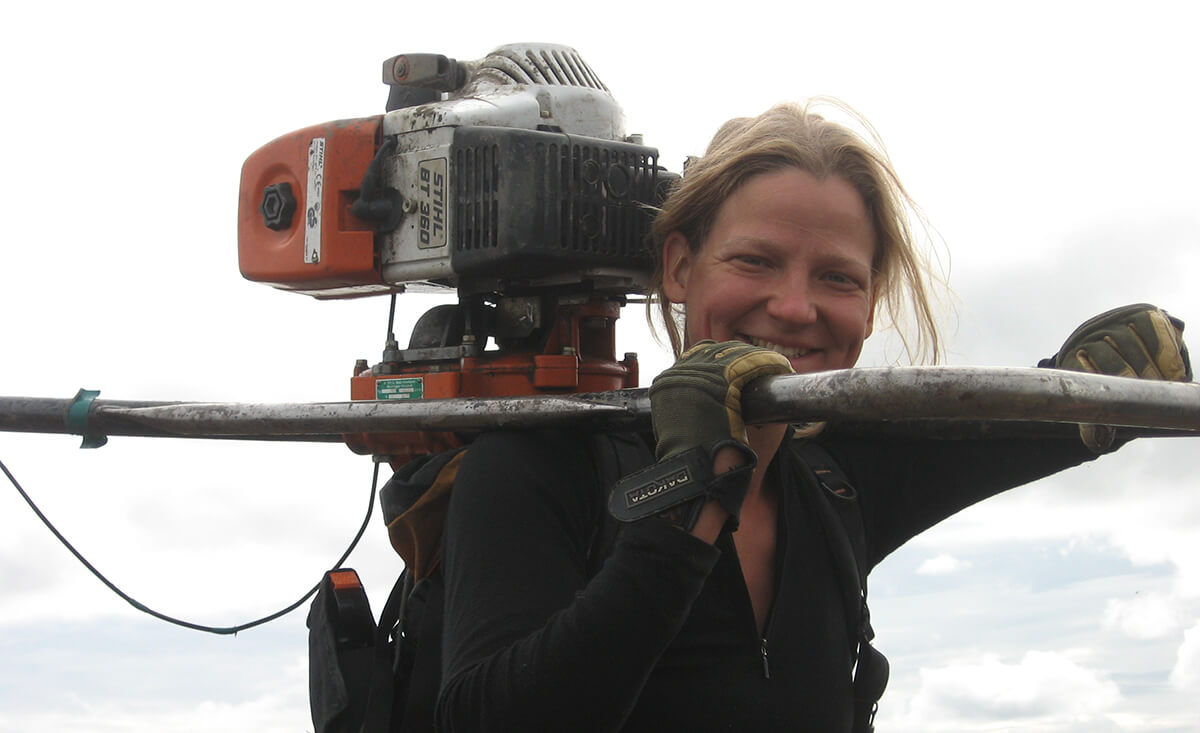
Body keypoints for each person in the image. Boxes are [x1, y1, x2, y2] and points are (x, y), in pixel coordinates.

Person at [432, 101, 1192, 732]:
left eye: (837, 277)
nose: (796, 308)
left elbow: (1003, 431)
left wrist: (1094, 392)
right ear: (679, 267)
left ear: (869, 301)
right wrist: (685, 496)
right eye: (755, 261)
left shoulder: (837, 480)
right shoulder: (539, 464)